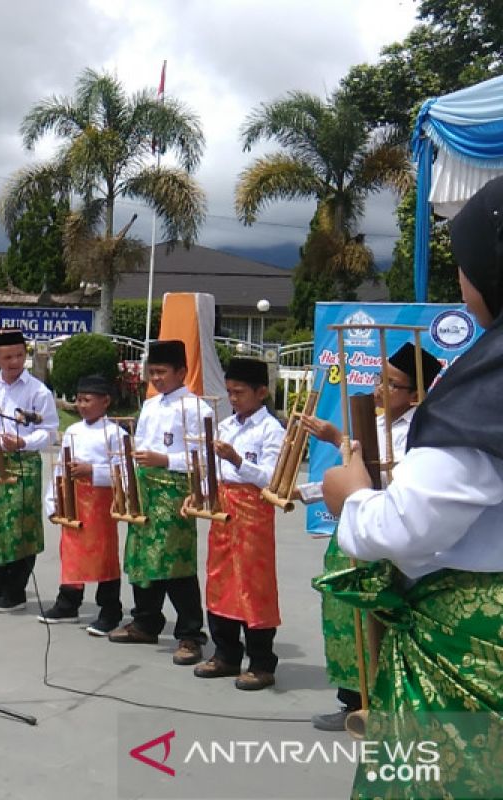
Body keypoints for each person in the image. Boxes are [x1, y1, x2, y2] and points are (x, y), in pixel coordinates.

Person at [315, 176, 503, 800]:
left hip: (468, 646)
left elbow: (408, 526)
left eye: (464, 266)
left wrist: (354, 499)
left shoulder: (482, 391)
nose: (460, 283)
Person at [299, 341, 441, 730]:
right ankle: (352, 702)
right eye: (380, 379)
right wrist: (306, 493)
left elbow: (388, 481)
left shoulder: (419, 432)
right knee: (346, 616)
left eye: (392, 384)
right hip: (353, 528)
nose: (380, 389)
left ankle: (386, 705)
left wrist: (338, 439)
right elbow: (351, 473)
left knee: (378, 620)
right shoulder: (374, 422)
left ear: (416, 395)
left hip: (384, 533)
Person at [108, 339, 210, 666]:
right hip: (145, 488)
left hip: (176, 491)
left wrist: (164, 459)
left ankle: (190, 633)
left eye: (162, 372)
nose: (157, 378)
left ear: (182, 371)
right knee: (141, 555)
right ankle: (146, 621)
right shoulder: (150, 405)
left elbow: (203, 458)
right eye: (152, 372)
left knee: (175, 562)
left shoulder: (197, 408)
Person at [191, 358, 284, 690]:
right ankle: (226, 654)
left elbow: (274, 478)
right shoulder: (227, 425)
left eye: (240, 392)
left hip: (254, 510)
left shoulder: (272, 430)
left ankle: (262, 662)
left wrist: (237, 460)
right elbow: (211, 468)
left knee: (253, 582)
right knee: (219, 578)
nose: (233, 399)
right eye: (229, 392)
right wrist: (200, 494)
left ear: (261, 392)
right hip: (223, 508)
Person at [0, 328, 58, 613]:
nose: (14, 362)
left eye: (19, 355)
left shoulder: (38, 391)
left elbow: (50, 431)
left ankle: (15, 590)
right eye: (7, 357)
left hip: (23, 464)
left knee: (20, 529)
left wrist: (24, 441)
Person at [38, 374, 125, 635]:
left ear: (105, 401)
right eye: (79, 400)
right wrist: (53, 500)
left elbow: (124, 473)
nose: (82, 405)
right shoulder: (73, 431)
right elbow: (60, 468)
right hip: (73, 497)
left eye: (88, 400)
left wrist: (93, 470)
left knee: (103, 555)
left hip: (100, 501)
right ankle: (68, 602)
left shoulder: (116, 434)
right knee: (71, 552)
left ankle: (110, 609)